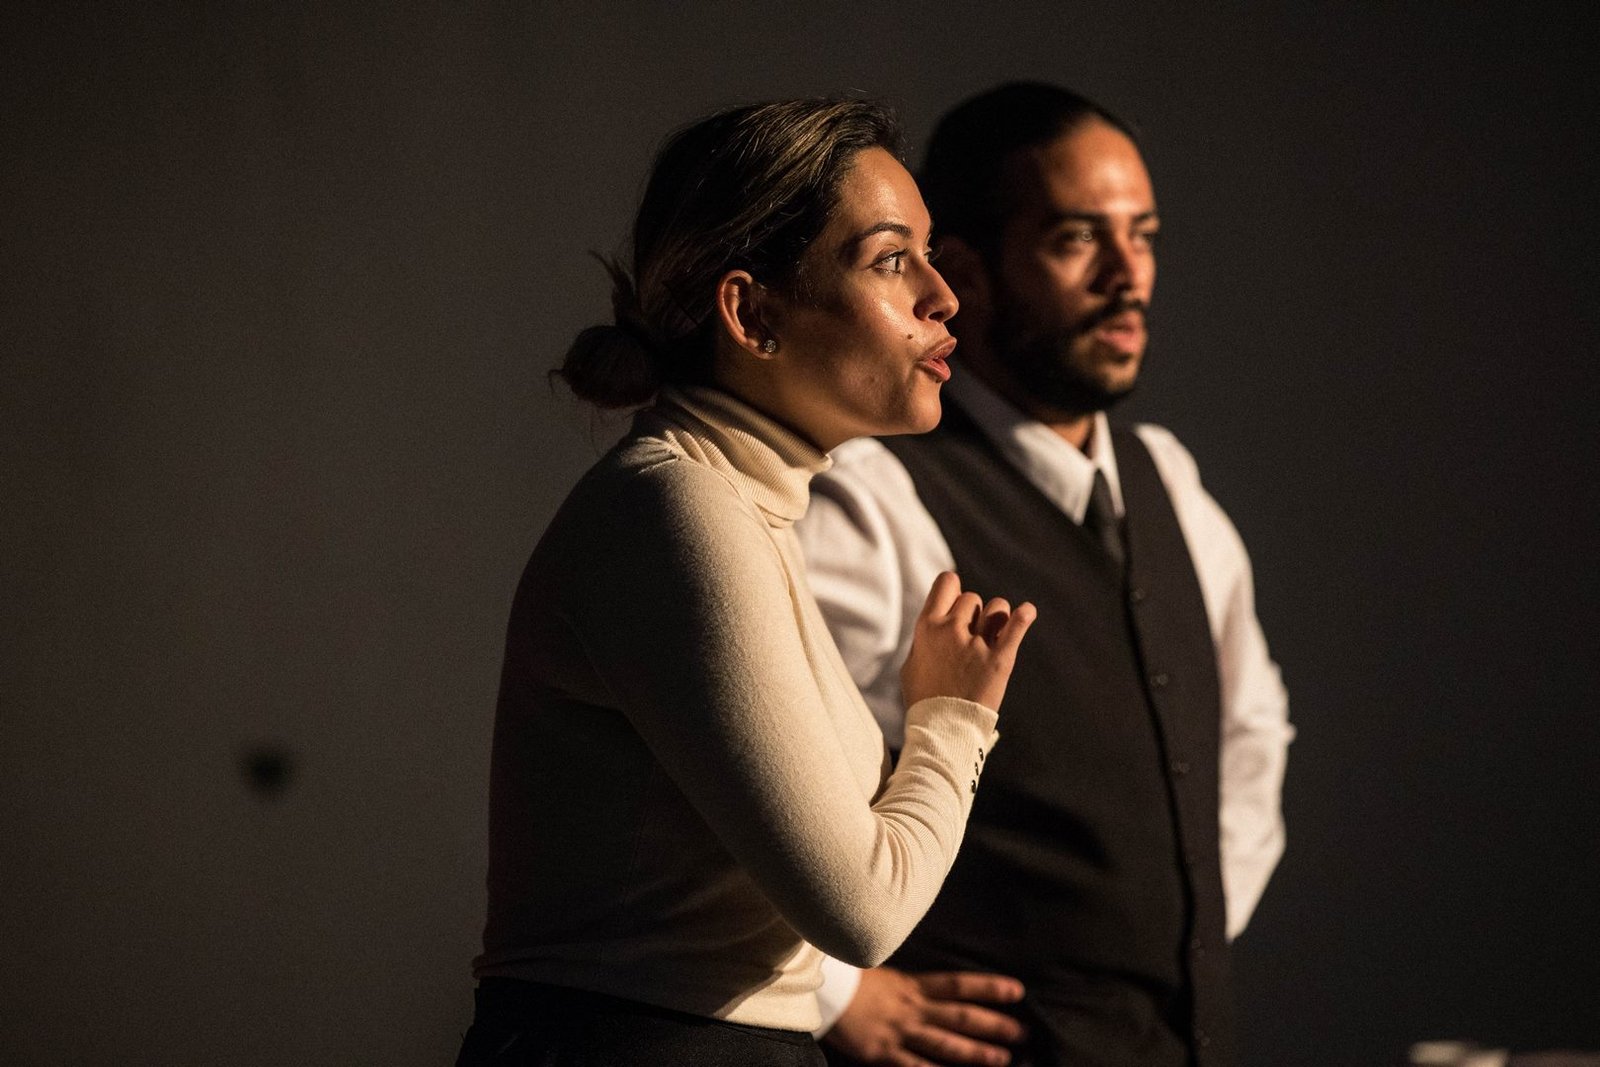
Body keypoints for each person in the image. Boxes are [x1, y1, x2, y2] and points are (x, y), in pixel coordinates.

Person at [457, 98, 1038, 1067]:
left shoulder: (736, 509)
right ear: (753, 314)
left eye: (930, 255)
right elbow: (865, 910)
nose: (943, 296)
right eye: (892, 259)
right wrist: (952, 718)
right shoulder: (675, 510)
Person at [797, 83, 1294, 1067]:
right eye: (1076, 239)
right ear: (964, 272)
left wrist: (1178, 921)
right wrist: (833, 992)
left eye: (1142, 236)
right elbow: (749, 778)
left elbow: (1250, 730)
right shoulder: (873, 493)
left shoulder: (1170, 480)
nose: (1127, 275)